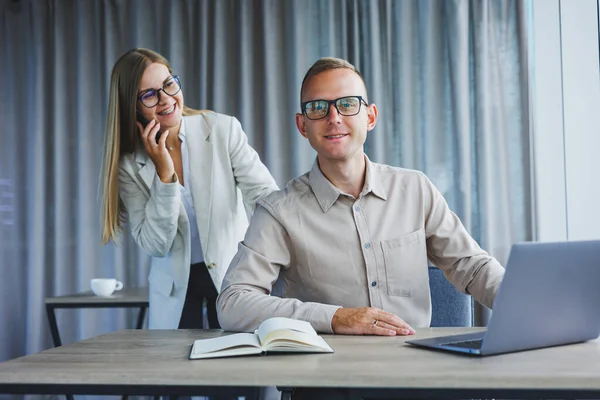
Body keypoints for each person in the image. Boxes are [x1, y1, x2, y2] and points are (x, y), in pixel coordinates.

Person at [217, 56, 506, 336]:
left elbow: (473, 268)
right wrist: (336, 317)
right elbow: (233, 303)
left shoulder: (415, 189)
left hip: (415, 370)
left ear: (370, 117)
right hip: (326, 375)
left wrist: (533, 310)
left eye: (347, 104)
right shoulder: (278, 211)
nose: (334, 118)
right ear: (303, 125)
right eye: (318, 107)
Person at [100, 48, 278, 331]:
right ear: (131, 106)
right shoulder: (130, 165)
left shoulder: (222, 129)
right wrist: (165, 177)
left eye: (168, 84)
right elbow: (157, 245)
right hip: (175, 289)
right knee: (177, 370)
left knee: (241, 367)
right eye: (149, 94)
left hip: (232, 276)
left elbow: (266, 198)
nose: (166, 100)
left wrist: (266, 257)